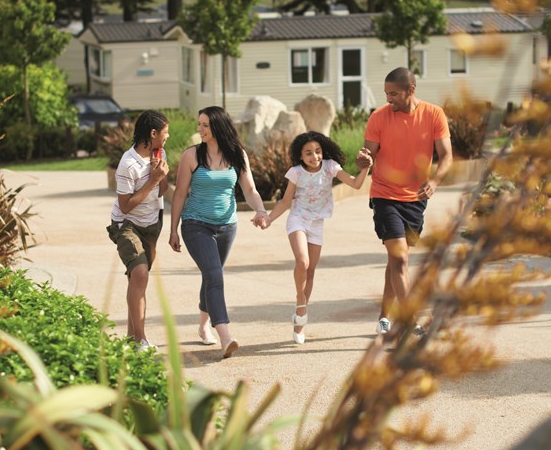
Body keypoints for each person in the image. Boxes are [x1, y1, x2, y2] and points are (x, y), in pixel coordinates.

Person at [168, 106, 269, 358]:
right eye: (199, 124)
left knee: (211, 275)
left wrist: (260, 210)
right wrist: (173, 230)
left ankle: (203, 326)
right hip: (195, 224)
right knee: (214, 274)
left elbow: (250, 189)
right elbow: (179, 194)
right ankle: (225, 336)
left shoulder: (237, 155)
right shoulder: (191, 156)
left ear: (218, 127)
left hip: (227, 226)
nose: (199, 129)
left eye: (204, 125)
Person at [360, 67, 453, 336]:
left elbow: (446, 156)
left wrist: (434, 181)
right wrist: (364, 160)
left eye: (394, 94)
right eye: (386, 93)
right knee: (400, 259)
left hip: (415, 200)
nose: (389, 99)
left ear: (411, 90)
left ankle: (384, 316)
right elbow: (367, 154)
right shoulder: (379, 118)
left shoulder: (434, 114)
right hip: (384, 194)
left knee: (396, 259)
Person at [259, 131, 372, 344]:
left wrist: (365, 168)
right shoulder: (296, 172)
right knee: (303, 261)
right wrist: (269, 219)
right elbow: (285, 202)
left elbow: (356, 184)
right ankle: (300, 301)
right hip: (298, 220)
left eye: (318, 152)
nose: (314, 156)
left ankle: (300, 323)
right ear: (300, 156)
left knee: (310, 272)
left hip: (317, 224)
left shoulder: (330, 167)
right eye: (308, 153)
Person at [106, 110, 170, 349]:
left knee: (137, 279)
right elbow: (125, 205)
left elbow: (162, 191)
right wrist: (153, 180)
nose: (168, 136)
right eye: (165, 133)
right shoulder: (127, 163)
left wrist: (161, 175)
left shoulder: (159, 153)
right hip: (126, 225)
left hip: (152, 224)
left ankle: (132, 338)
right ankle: (141, 339)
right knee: (140, 273)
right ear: (152, 133)